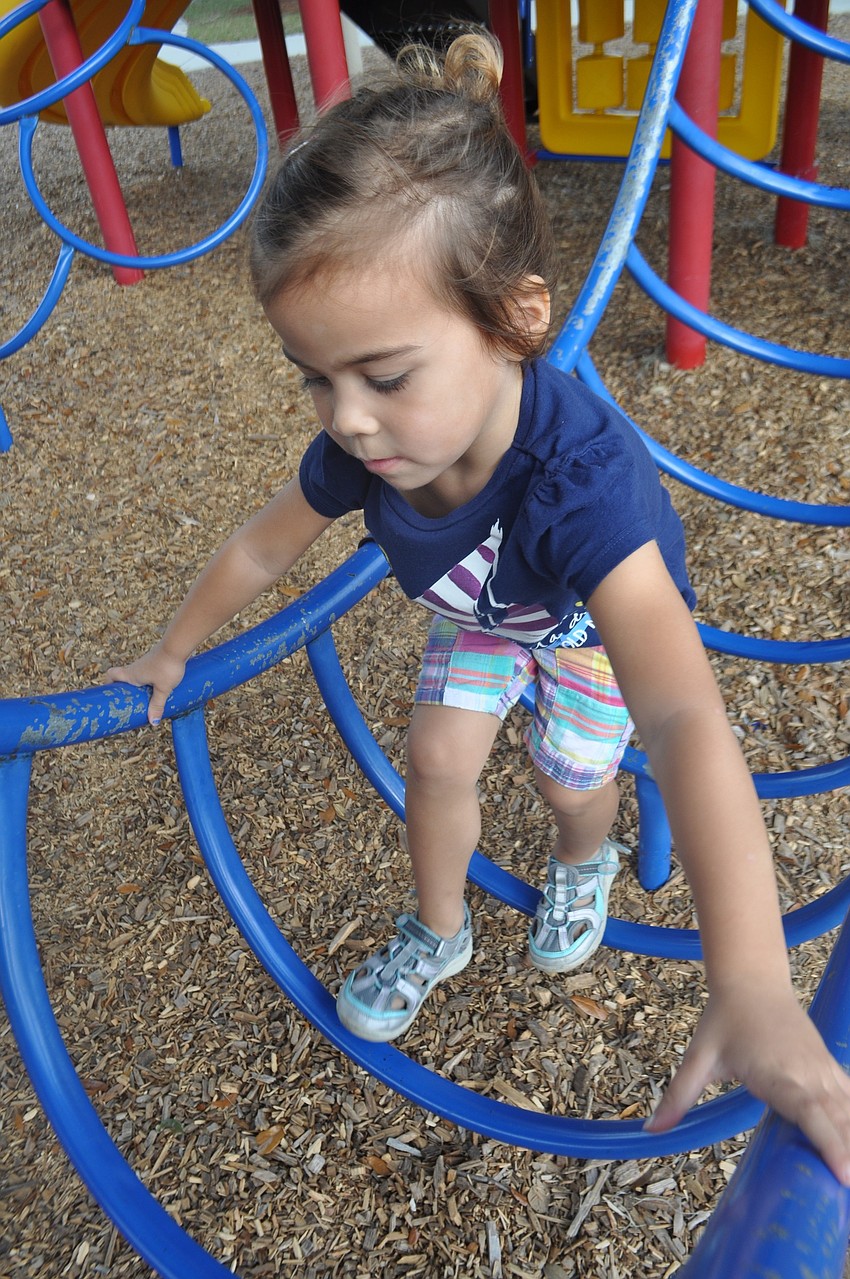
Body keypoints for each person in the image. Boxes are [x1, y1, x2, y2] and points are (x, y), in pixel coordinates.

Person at [107, 32, 850, 1181]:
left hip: (589, 627)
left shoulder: (581, 487)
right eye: (316, 375)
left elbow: (688, 720)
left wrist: (750, 981)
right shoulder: (373, 449)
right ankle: (438, 927)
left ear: (515, 318)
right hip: (486, 612)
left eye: (384, 376)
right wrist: (170, 648)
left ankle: (580, 858)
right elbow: (263, 545)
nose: (346, 418)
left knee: (571, 775)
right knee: (438, 751)